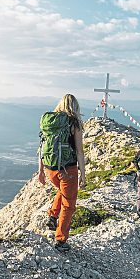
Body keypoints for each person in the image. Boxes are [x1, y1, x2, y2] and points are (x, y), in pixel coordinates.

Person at [38, 94, 86, 251]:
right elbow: (79, 152)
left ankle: (52, 216)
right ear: (75, 107)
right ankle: (60, 240)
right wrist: (83, 175)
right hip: (68, 170)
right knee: (69, 205)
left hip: (50, 168)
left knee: (62, 191)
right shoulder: (74, 123)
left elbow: (41, 146)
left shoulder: (51, 123)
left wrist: (41, 171)